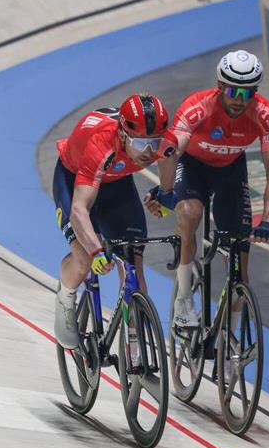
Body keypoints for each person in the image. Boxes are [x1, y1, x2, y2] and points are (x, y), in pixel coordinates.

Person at [145, 50, 269, 335]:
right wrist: (166, 191)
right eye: (233, 91)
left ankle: (229, 344)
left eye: (246, 94)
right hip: (194, 167)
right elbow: (171, 151)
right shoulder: (198, 108)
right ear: (220, 86)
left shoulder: (265, 115)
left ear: (255, 94)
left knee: (240, 273)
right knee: (189, 212)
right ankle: (184, 299)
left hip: (231, 173)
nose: (238, 100)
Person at [53, 94, 177, 349]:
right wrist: (96, 250)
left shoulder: (163, 143)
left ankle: (134, 346)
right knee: (85, 257)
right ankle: (65, 298)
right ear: (122, 134)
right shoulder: (101, 146)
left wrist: (165, 194)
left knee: (133, 263)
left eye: (154, 142)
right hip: (74, 179)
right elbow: (79, 209)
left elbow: (169, 157)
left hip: (116, 183)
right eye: (141, 143)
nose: (149, 151)